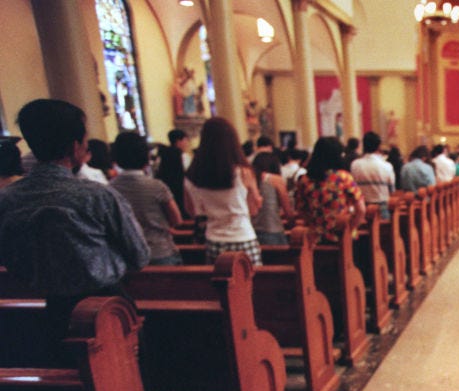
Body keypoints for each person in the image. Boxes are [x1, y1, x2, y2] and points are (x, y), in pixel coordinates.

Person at [0, 98, 149, 359]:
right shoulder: (97, 196)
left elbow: (10, 258)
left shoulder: (8, 198)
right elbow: (139, 255)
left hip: (55, 306)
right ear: (74, 146)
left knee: (73, 378)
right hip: (108, 306)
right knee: (125, 379)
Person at [185, 117, 263, 265]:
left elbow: (193, 212)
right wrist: (257, 200)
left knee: (221, 287)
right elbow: (253, 210)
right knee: (253, 285)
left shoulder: (192, 176)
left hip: (214, 239)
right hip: (243, 237)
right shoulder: (243, 172)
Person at [109, 131, 184, 265]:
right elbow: (177, 220)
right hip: (160, 252)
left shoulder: (109, 188)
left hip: (127, 255)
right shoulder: (156, 186)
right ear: (146, 156)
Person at [294, 136, 366, 243]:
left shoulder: (304, 180)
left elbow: (301, 210)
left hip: (315, 238)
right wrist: (350, 227)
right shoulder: (343, 178)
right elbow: (361, 209)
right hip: (342, 237)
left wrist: (316, 225)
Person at [349, 130, 395, 221]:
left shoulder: (354, 165)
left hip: (361, 209)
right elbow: (391, 190)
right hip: (382, 208)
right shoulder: (386, 166)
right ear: (378, 147)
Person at [251, 151, 294, 245]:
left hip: (251, 232)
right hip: (273, 230)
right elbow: (287, 210)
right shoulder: (275, 180)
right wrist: (292, 223)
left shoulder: (250, 179)